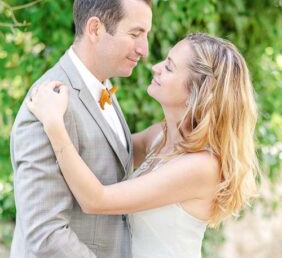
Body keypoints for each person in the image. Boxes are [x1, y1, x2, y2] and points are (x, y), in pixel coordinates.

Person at [27, 32, 260, 258]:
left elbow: (96, 200)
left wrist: (54, 124)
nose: (155, 67)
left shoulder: (201, 166)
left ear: (195, 94)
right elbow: (104, 150)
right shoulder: (161, 135)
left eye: (169, 67)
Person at [10, 0, 152, 257]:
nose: (144, 50)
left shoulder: (100, 88)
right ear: (96, 28)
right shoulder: (49, 103)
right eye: (135, 35)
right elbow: (45, 234)